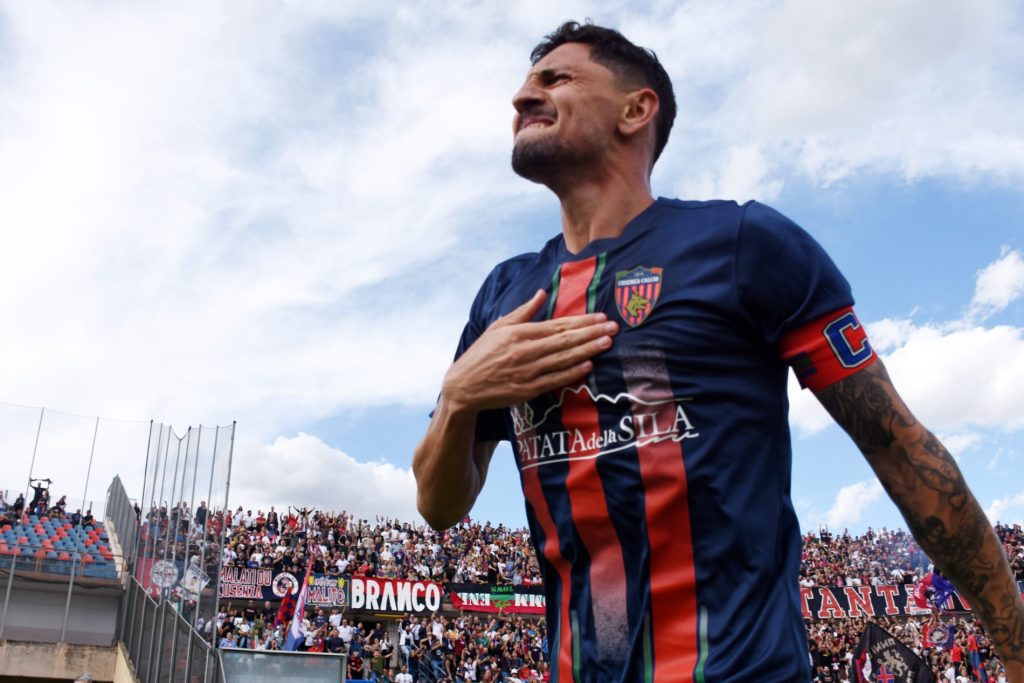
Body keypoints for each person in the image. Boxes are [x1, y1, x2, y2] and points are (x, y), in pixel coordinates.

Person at [412, 20, 1024, 682]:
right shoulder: (505, 293)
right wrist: (459, 396)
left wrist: (1015, 645)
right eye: (526, 83)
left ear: (636, 110)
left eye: (555, 78)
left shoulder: (744, 244)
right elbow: (440, 506)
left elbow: (899, 447)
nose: (522, 96)